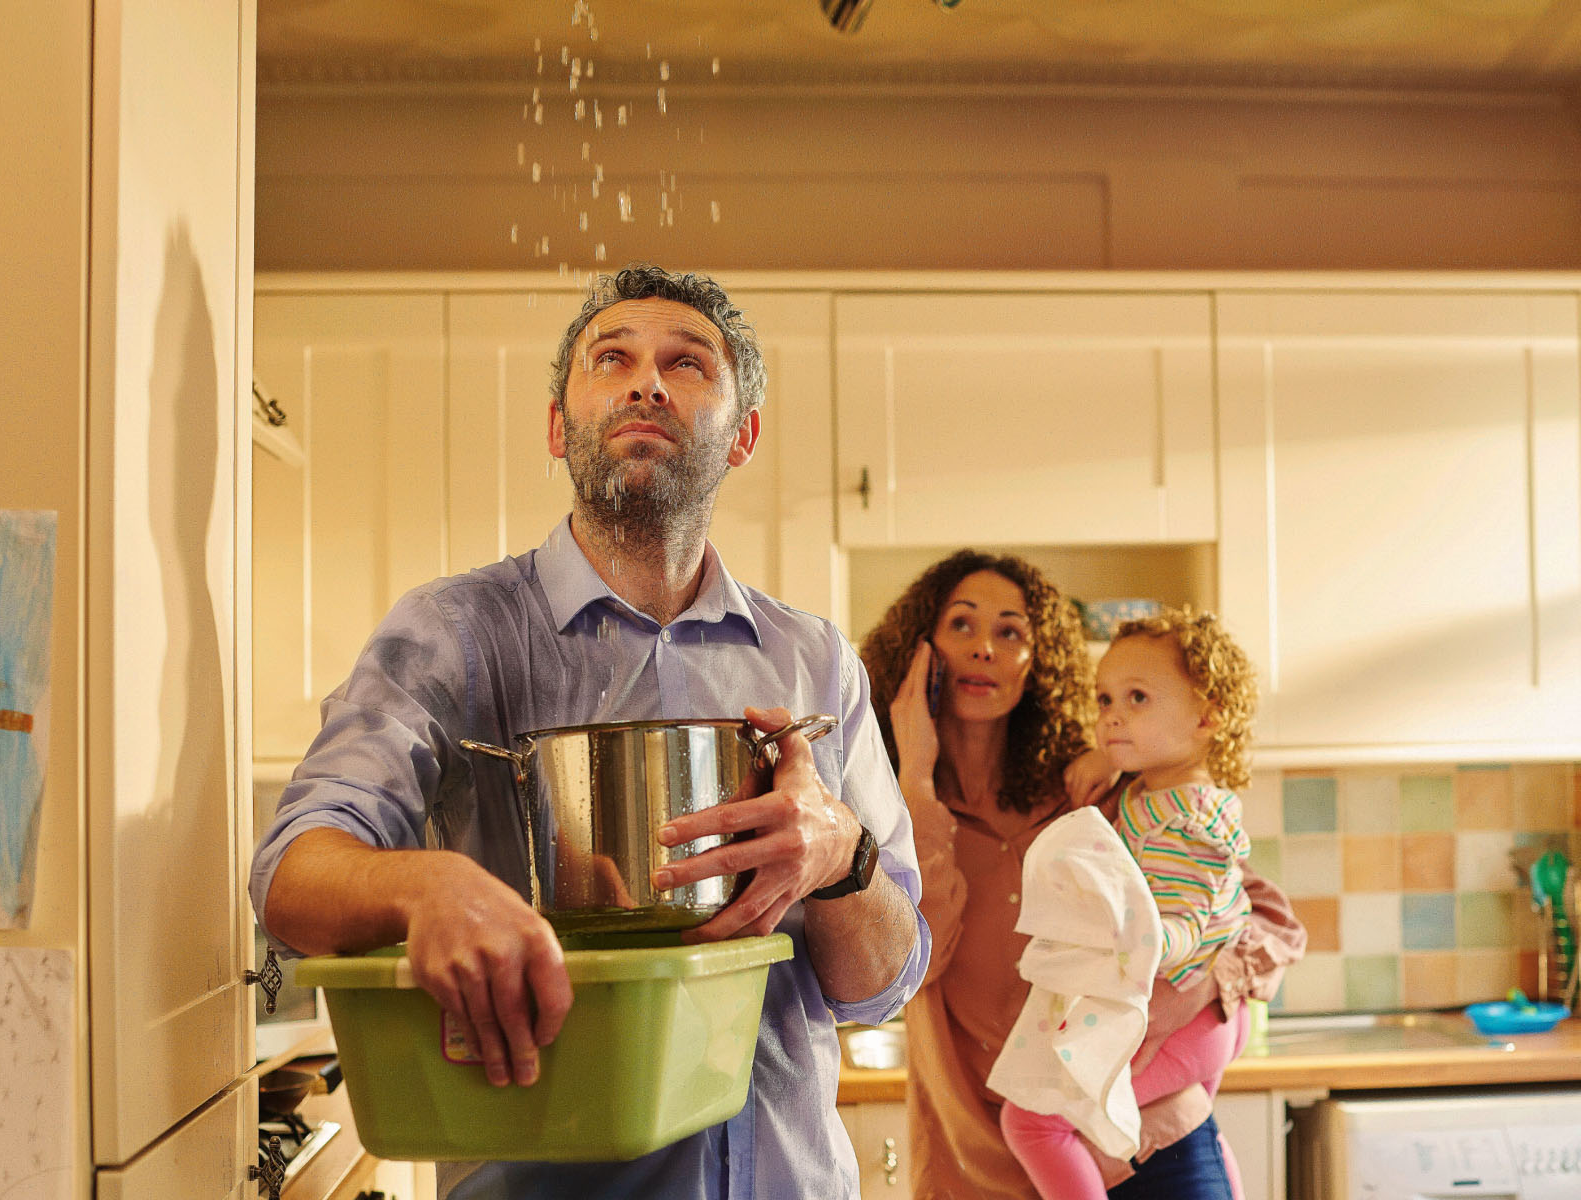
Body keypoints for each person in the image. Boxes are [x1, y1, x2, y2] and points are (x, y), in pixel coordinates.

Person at [251, 264, 927, 1199]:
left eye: (688, 364)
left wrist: (841, 855)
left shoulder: (815, 660)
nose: (647, 380)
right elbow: (290, 875)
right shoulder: (455, 634)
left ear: (743, 436)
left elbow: (883, 984)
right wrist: (428, 884)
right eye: (613, 358)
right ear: (559, 425)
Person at [858, 552, 1304, 1200]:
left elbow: (1265, 920)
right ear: (920, 652)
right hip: (973, 1172)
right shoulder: (887, 812)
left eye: (1010, 632)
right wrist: (918, 781)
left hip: (1142, 1149)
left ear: (1038, 662)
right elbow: (898, 972)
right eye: (962, 625)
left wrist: (1197, 998)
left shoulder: (1095, 792)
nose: (985, 647)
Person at [996, 608, 1258, 1199]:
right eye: (1105, 698)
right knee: (1176, 1122)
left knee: (1033, 1120)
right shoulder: (1153, 789)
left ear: (1207, 716)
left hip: (1188, 1014)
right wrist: (1108, 758)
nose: (1112, 715)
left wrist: (1150, 940)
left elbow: (1186, 919)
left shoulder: (1184, 820)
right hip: (1201, 1016)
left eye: (1137, 698)